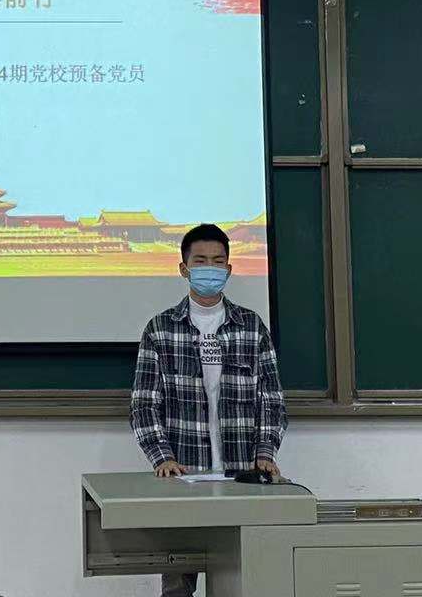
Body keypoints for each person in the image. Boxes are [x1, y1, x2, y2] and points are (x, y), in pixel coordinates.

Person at [129, 222, 287, 597]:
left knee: (244, 581)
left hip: (242, 476)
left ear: (229, 269)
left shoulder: (251, 327)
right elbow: (144, 404)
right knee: (178, 586)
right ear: (183, 268)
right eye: (200, 261)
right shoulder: (160, 329)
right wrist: (162, 458)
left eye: (218, 261)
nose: (209, 269)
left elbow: (271, 398)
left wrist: (266, 453)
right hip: (183, 477)